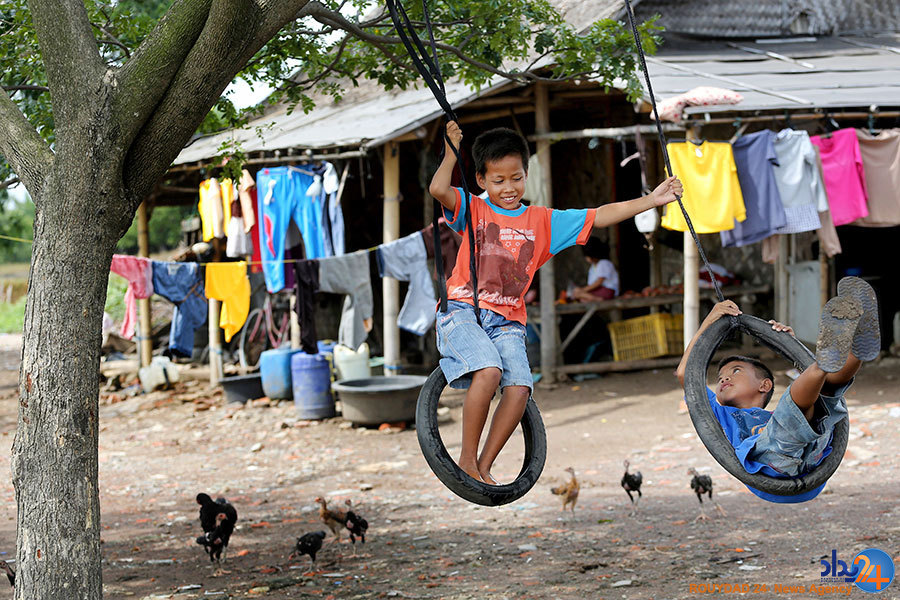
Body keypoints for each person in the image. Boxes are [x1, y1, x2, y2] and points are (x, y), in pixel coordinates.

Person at [429, 123, 683, 484]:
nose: (509, 188)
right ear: (481, 181)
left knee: (519, 389)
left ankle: (484, 465)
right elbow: (438, 188)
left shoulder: (542, 221)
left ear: (527, 176)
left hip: (507, 321)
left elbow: (600, 214)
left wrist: (652, 200)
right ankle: (466, 459)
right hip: (462, 311)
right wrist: (452, 149)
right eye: (498, 180)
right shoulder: (473, 210)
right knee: (488, 370)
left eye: (516, 178)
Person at [675, 277, 880, 503]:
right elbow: (687, 373)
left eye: (735, 372)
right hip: (770, 461)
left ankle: (857, 347)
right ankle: (823, 361)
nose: (724, 379)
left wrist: (789, 343)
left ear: (764, 385)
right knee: (796, 408)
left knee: (826, 393)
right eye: (720, 377)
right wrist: (709, 321)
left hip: (813, 452)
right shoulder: (718, 413)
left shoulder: (774, 417)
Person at [569, 237, 619, 302]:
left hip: (607, 291)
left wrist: (583, 290)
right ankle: (594, 298)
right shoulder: (593, 266)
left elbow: (599, 282)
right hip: (599, 290)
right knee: (581, 297)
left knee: (578, 294)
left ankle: (598, 299)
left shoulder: (603, 263)